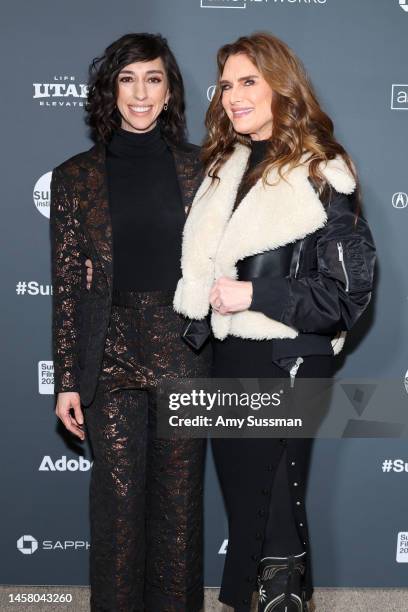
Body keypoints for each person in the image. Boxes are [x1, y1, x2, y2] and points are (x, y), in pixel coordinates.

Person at [173, 32, 376, 612]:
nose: (233, 96)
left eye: (249, 82)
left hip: (288, 359)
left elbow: (345, 294)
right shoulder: (224, 168)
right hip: (228, 356)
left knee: (275, 515)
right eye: (228, 84)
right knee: (248, 508)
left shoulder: (322, 171)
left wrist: (254, 292)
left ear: (281, 86)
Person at [50, 33, 210, 612]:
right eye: (127, 79)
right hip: (109, 350)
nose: (140, 93)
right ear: (110, 90)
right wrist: (68, 377)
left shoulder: (202, 170)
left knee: (178, 509)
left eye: (153, 79)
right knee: (117, 509)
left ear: (169, 93)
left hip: (182, 347)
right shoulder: (74, 178)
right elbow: (68, 287)